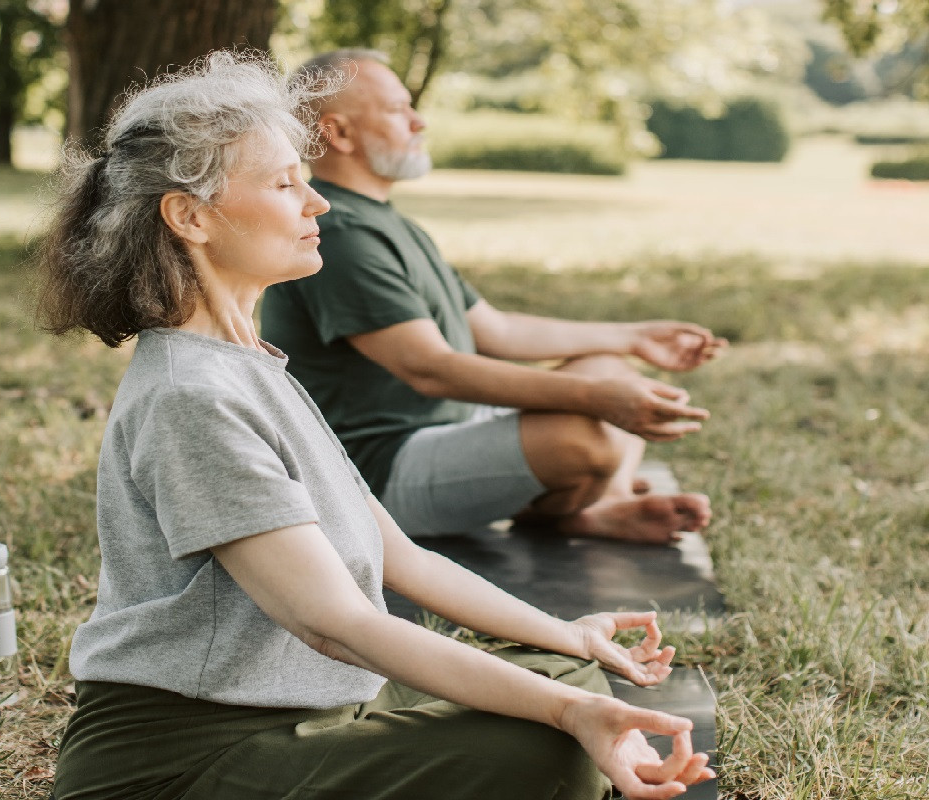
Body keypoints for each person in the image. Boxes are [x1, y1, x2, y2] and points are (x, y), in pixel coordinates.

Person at [36, 51, 713, 800]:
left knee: (573, 677)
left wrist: (568, 637)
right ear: (190, 217)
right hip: (191, 755)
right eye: (285, 184)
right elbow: (334, 622)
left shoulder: (251, 366)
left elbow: (404, 562)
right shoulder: (190, 397)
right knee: (555, 749)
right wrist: (571, 713)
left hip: (321, 703)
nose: (317, 203)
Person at [261, 50, 728, 543]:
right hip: (377, 471)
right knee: (587, 436)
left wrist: (634, 337)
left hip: (450, 429)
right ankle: (581, 503)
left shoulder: (386, 222)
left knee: (610, 367)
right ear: (340, 133)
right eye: (400, 109)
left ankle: (598, 506)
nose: (420, 121)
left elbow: (498, 330)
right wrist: (596, 399)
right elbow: (429, 369)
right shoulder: (343, 234)